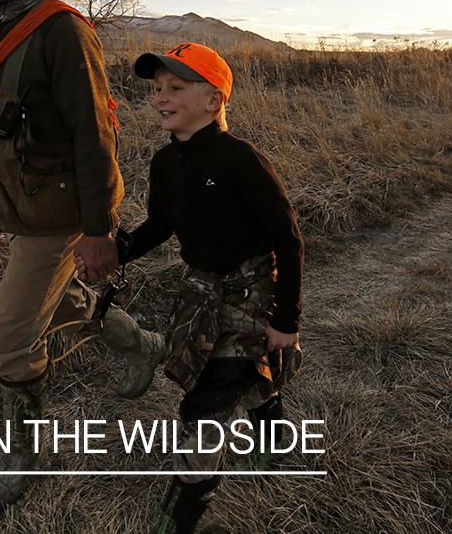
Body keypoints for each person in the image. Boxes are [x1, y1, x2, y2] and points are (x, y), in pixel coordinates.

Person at [0, 0, 165, 519]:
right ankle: (142, 345)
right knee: (58, 302)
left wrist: (98, 229)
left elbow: (96, 135)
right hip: (24, 202)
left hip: (64, 209)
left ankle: (22, 454)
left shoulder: (61, 29)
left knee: (7, 340)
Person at [83, 42, 304, 534]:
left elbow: (288, 240)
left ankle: (177, 521)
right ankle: (274, 435)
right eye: (158, 88)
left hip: (252, 295)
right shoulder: (165, 164)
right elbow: (161, 225)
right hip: (199, 293)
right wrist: (117, 252)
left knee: (204, 405)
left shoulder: (241, 160)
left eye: (177, 88)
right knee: (231, 376)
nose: (162, 97)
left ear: (214, 99)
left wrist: (285, 322)